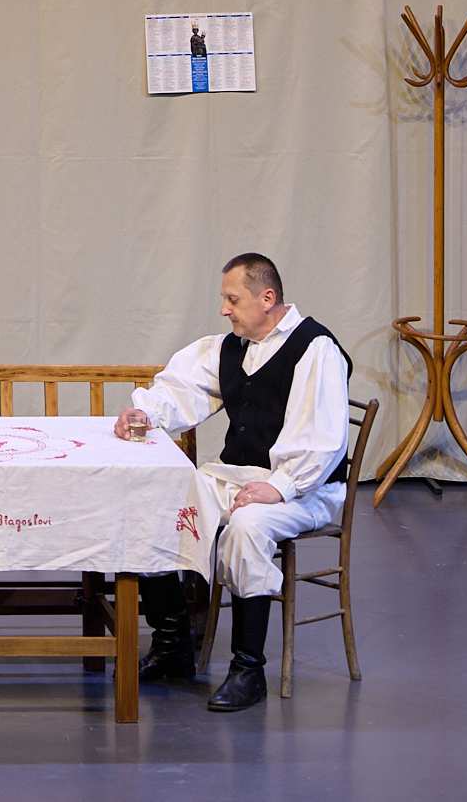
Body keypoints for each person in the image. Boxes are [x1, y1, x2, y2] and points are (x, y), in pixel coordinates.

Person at [115, 252, 351, 711]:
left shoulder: (315, 349)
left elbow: (323, 440)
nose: (224, 309)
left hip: (306, 488)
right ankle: (173, 644)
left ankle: (248, 669)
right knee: (151, 508)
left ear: (267, 298)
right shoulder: (233, 348)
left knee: (247, 527)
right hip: (238, 476)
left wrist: (281, 487)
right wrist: (146, 413)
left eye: (232, 299)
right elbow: (181, 391)